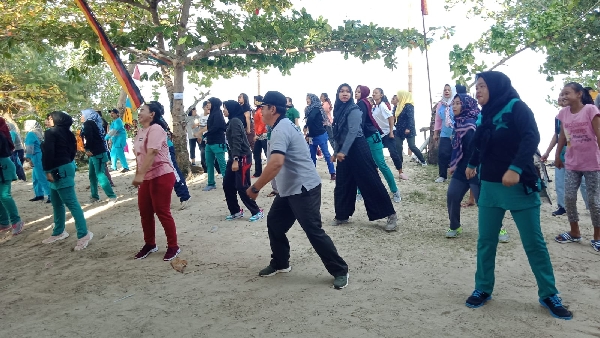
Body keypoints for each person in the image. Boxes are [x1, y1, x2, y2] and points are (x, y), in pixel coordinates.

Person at [463, 71, 571, 320]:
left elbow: (531, 138)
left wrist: (515, 168)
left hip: (519, 185)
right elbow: (479, 141)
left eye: (481, 86)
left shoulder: (517, 107)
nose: (477, 91)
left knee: (534, 243)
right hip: (490, 184)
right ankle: (483, 288)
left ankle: (548, 293)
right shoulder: (485, 113)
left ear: (495, 86)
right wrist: (472, 162)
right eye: (476, 87)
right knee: (486, 241)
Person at [245, 90, 349, 289]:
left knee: (313, 231)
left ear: (272, 109)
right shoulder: (280, 126)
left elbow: (275, 163)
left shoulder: (281, 128)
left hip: (303, 189)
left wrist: (256, 187)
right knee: (275, 223)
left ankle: (340, 270)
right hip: (290, 189)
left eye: (263, 108)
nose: (260, 112)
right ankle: (280, 263)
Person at [332, 83, 398, 231]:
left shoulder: (354, 109)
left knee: (370, 180)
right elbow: (337, 133)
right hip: (344, 149)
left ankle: (391, 215)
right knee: (343, 182)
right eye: (342, 91)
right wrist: (337, 152)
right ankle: (342, 215)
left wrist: (343, 151)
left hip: (358, 148)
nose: (345, 94)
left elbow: (353, 131)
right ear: (337, 94)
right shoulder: (338, 110)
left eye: (348, 92)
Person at [554, 82, 600, 252]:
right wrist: (558, 155)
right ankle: (575, 232)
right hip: (572, 162)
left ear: (579, 94)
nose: (564, 96)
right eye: (562, 93)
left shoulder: (590, 110)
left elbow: (598, 134)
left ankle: (597, 236)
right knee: (569, 198)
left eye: (567, 93)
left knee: (594, 201)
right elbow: (562, 137)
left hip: (592, 162)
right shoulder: (564, 113)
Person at [132, 101, 181, 261]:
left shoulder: (156, 129)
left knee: (162, 210)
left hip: (162, 174)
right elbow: (140, 156)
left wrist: (140, 175)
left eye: (143, 110)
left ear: (152, 114)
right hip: (145, 176)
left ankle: (173, 246)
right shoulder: (141, 131)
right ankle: (150, 244)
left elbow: (152, 152)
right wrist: (139, 174)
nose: (139, 113)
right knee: (145, 211)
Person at [41, 111, 92, 250]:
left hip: (58, 169)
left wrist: (47, 171)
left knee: (71, 203)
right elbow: (72, 152)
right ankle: (59, 231)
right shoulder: (68, 133)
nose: (48, 120)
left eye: (50, 118)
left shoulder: (51, 132)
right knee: (57, 202)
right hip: (66, 166)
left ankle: (84, 234)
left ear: (57, 119)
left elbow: (48, 153)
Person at [540, 95, 589, 216]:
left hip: (580, 154)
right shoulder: (558, 117)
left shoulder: (584, 114)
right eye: (561, 96)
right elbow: (557, 135)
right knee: (560, 181)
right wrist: (547, 152)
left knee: (583, 182)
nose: (562, 98)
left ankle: (591, 205)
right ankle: (562, 207)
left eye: (566, 95)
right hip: (562, 153)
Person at [354, 86, 401, 203]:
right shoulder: (365, 104)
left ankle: (395, 191)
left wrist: (391, 132)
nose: (356, 93)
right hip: (367, 138)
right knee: (362, 165)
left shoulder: (363, 104)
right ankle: (360, 192)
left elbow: (361, 123)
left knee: (381, 164)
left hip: (372, 138)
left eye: (359, 92)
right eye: (355, 91)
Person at [445, 93, 480, 237]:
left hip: (476, 168)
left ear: (466, 105)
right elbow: (457, 148)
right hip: (462, 167)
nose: (454, 106)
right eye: (453, 103)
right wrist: (454, 165)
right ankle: (455, 226)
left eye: (458, 103)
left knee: (483, 200)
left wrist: (473, 166)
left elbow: (476, 148)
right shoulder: (459, 123)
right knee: (452, 195)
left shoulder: (472, 124)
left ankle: (498, 228)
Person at [222, 100, 264, 221]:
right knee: (227, 184)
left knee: (242, 185)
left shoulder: (235, 122)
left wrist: (235, 159)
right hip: (234, 157)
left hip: (242, 157)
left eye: (225, 108)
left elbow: (237, 140)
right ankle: (235, 211)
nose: (223, 110)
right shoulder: (231, 121)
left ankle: (256, 211)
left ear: (231, 109)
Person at [80, 109, 118, 204]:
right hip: (95, 153)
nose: (81, 117)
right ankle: (94, 196)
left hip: (97, 153)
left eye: (82, 115)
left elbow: (89, 137)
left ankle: (112, 196)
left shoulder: (88, 123)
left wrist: (88, 149)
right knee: (92, 175)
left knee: (100, 175)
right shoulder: (93, 123)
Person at [0, 117, 24, 236]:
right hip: (3, 166)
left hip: (3, 167)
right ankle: (4, 222)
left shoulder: (0, 135)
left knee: (4, 195)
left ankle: (17, 221)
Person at [372, 88, 404, 179]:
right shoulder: (375, 107)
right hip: (380, 134)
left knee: (393, 152)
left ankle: (400, 171)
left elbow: (391, 117)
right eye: (373, 93)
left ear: (381, 95)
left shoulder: (382, 105)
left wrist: (391, 132)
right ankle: (375, 170)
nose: (374, 94)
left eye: (376, 93)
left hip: (389, 132)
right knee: (376, 152)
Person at [197, 97, 227, 191]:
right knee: (209, 163)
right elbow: (210, 127)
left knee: (222, 164)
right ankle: (211, 183)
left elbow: (216, 127)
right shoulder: (211, 114)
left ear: (214, 103)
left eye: (209, 103)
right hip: (209, 142)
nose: (208, 105)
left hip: (217, 142)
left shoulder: (218, 114)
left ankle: (228, 183)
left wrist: (205, 134)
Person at [394, 91, 427, 176]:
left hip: (408, 129)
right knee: (398, 146)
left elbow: (411, 118)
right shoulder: (398, 105)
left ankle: (423, 160)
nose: (397, 97)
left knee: (412, 146)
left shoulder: (409, 105)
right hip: (399, 129)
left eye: (398, 95)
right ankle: (399, 165)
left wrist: (408, 128)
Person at [305, 93, 336, 180]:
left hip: (320, 135)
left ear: (313, 99)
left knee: (326, 154)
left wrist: (305, 126)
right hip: (312, 135)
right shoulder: (309, 109)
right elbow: (310, 122)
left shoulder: (316, 108)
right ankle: (312, 173)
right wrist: (307, 134)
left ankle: (333, 173)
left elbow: (311, 119)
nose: (307, 100)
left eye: (308, 99)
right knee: (312, 155)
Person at [434, 84, 457, 183]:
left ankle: (456, 176)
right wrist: (436, 133)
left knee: (456, 154)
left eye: (449, 90)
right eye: (445, 90)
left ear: (453, 91)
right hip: (445, 132)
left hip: (456, 132)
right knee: (442, 153)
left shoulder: (456, 102)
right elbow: (438, 120)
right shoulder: (441, 104)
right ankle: (442, 175)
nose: (447, 91)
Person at [24, 119, 51, 203]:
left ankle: (50, 195)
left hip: (36, 156)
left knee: (41, 176)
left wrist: (28, 158)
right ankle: (39, 194)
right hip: (40, 155)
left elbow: (29, 147)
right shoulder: (38, 132)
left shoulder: (30, 134)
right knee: (35, 177)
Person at [198, 101, 221, 175]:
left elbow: (209, 127)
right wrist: (199, 135)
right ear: (204, 107)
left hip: (209, 137)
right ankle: (205, 171)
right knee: (202, 153)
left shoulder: (211, 116)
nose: (208, 108)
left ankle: (219, 171)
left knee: (214, 155)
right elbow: (200, 127)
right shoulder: (201, 116)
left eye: (209, 106)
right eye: (207, 107)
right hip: (202, 137)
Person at [252, 95, 268, 178]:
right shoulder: (257, 110)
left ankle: (267, 171)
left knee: (266, 153)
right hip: (259, 134)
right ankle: (258, 172)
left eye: (255, 100)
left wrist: (258, 134)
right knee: (256, 153)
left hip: (263, 134)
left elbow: (262, 123)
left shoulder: (260, 110)